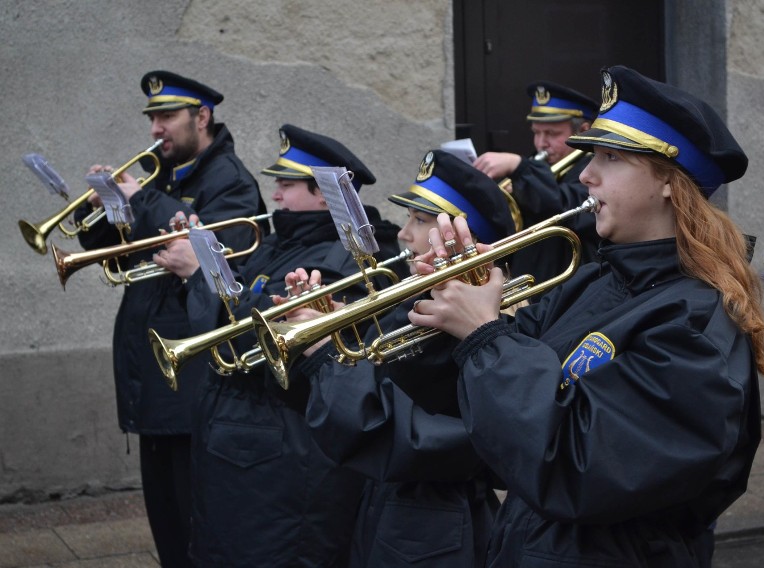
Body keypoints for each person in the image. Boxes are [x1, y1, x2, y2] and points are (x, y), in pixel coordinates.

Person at [396, 65, 764, 566]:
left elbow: (578, 467)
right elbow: (471, 403)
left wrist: (485, 335)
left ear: (668, 181)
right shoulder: (597, 280)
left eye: (610, 157)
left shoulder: (695, 326)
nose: (585, 174)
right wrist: (447, 307)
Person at [152, 124, 404, 567]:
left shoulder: (338, 258)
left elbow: (266, 337)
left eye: (286, 184)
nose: (275, 195)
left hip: (281, 461)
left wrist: (200, 275)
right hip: (244, 449)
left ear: (325, 195)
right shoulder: (282, 240)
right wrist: (205, 254)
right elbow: (245, 300)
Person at [281, 149, 515, 567]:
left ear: (463, 239)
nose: (404, 233)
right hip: (387, 506)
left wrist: (324, 353)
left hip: (435, 527)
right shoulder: (409, 307)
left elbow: (403, 436)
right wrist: (326, 329)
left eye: (421, 220)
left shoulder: (470, 329)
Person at [74, 70, 266, 567]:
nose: (156, 128)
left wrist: (141, 198)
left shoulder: (230, 181)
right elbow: (118, 260)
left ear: (201, 117)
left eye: (167, 116)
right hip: (153, 369)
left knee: (194, 521)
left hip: (192, 374)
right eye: (153, 118)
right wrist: (105, 212)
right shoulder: (165, 175)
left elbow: (232, 271)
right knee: (165, 519)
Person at [473, 81, 602, 281]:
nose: (541, 143)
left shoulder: (597, 168)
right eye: (536, 132)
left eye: (552, 133)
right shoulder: (538, 167)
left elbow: (566, 207)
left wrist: (520, 168)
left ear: (583, 131)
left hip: (570, 283)